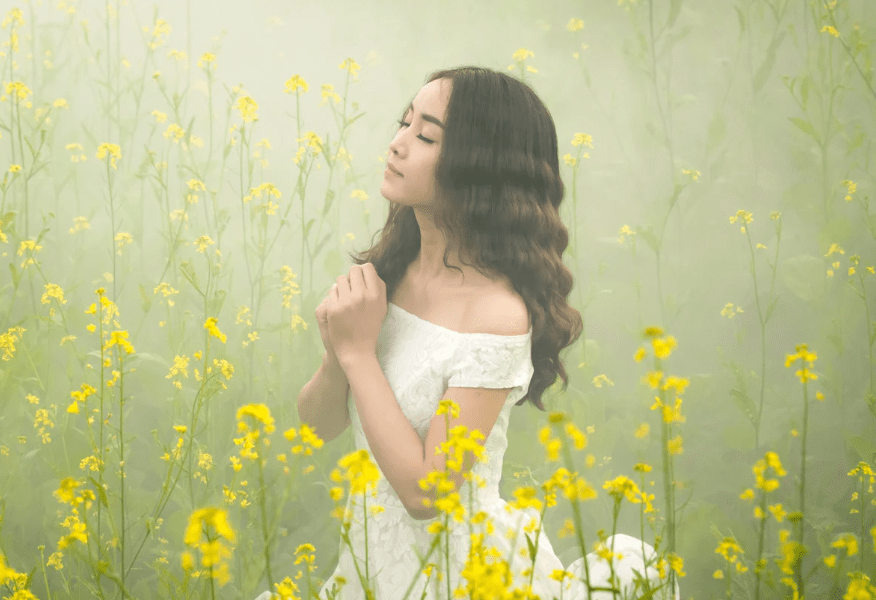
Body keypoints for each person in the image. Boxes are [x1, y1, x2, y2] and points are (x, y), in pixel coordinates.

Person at [257, 67, 680, 600]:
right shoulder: (394, 272)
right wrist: (337, 351)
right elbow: (318, 425)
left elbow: (427, 494)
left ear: (481, 168)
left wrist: (358, 352)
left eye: (426, 135)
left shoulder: (497, 315)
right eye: (404, 123)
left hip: (455, 578)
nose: (397, 143)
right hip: (369, 568)